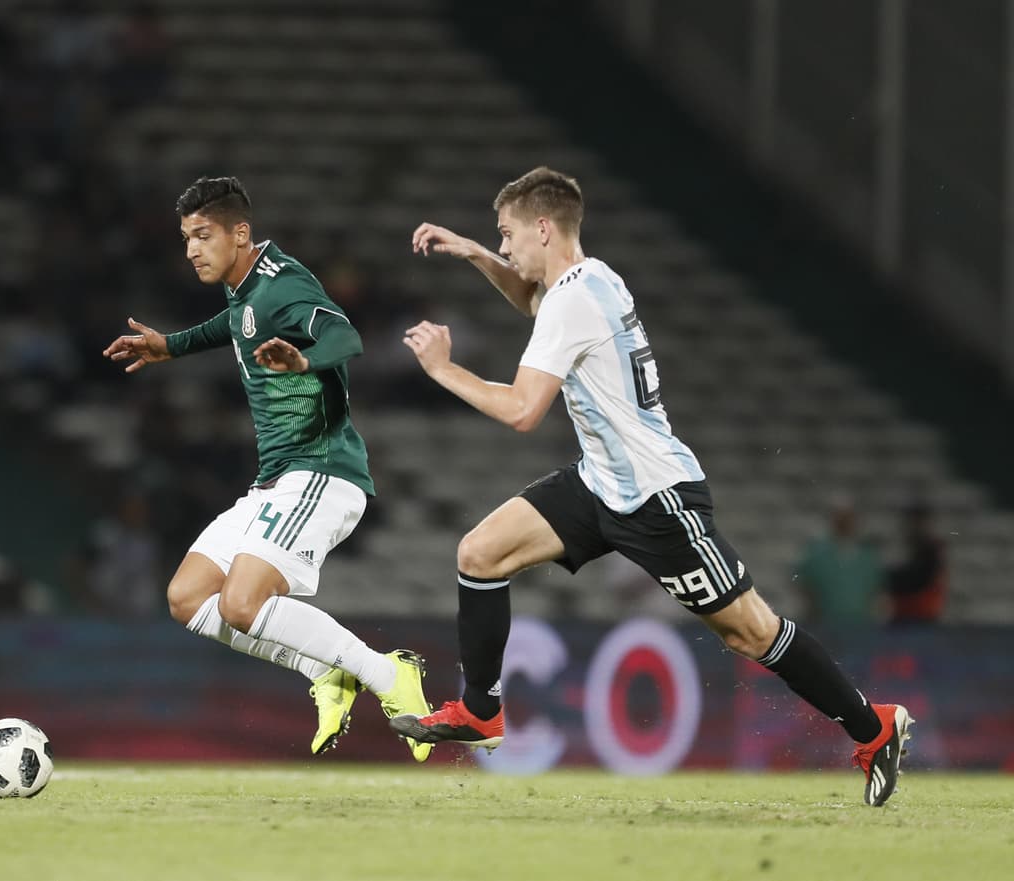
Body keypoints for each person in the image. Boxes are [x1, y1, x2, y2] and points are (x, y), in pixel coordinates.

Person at [390, 167, 911, 805]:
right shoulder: (595, 278)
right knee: (480, 553)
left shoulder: (571, 301)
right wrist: (475, 253)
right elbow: (531, 300)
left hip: (656, 499)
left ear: (543, 229)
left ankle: (873, 726)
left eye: (506, 234)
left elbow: (523, 411)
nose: (504, 247)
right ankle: (480, 711)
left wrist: (443, 369)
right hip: (599, 483)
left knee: (751, 632)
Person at [103, 176, 432, 760]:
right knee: (187, 597)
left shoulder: (283, 285)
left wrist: (305, 360)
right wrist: (171, 346)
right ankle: (324, 670)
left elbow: (345, 335)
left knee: (241, 604)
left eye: (203, 236)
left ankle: (387, 673)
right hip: (276, 481)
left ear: (240, 233)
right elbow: (232, 327)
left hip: (321, 473)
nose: (192, 250)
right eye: (186, 238)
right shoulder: (244, 287)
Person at [794, 496, 883, 630]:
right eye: (840, 518)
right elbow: (804, 585)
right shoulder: (816, 554)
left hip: (862, 624)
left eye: (848, 518)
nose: (844, 523)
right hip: (825, 623)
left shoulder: (868, 556)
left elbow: (877, 590)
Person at [885, 501, 946, 625]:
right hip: (903, 614)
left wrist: (893, 578)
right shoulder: (906, 548)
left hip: (923, 615)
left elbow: (919, 579)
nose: (914, 527)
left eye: (918, 522)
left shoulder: (932, 551)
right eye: (911, 522)